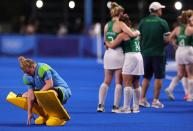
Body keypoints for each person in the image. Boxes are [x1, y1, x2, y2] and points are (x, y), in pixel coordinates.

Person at [97, 2, 140, 112]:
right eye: (122, 12)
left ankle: (100, 105)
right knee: (118, 82)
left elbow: (104, 41)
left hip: (108, 54)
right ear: (119, 13)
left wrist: (108, 44)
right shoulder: (120, 24)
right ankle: (115, 107)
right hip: (118, 54)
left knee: (106, 80)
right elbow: (131, 34)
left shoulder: (107, 25)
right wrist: (138, 32)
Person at [105, 14, 143, 113]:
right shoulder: (134, 31)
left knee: (127, 82)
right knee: (136, 82)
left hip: (130, 56)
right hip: (139, 55)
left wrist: (106, 42)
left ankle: (126, 107)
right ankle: (136, 107)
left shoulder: (122, 35)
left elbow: (112, 45)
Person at [18, 56, 72, 125]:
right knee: (26, 95)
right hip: (45, 92)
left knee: (48, 93)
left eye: (29, 72)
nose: (28, 74)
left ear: (33, 66)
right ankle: (45, 115)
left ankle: (59, 116)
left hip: (62, 91)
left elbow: (50, 84)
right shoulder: (27, 76)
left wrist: (38, 95)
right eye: (26, 73)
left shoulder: (42, 68)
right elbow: (31, 96)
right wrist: (29, 112)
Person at [138, 2, 170, 108]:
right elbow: (167, 40)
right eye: (161, 9)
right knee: (158, 77)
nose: (162, 10)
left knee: (146, 77)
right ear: (157, 10)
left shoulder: (142, 22)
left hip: (145, 53)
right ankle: (155, 101)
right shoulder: (162, 22)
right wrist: (161, 44)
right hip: (158, 53)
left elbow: (138, 38)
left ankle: (142, 99)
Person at [165, 10, 193, 101]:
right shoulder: (190, 29)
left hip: (179, 51)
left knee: (180, 74)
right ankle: (189, 95)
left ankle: (170, 88)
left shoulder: (177, 29)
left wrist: (174, 44)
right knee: (190, 74)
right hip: (188, 50)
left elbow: (169, 37)